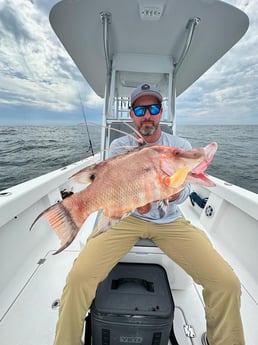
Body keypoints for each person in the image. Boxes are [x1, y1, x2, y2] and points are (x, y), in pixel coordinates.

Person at [53, 84, 245, 345]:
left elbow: (184, 193)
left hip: (170, 220)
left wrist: (173, 193)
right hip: (126, 219)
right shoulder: (120, 145)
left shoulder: (179, 145)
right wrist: (138, 202)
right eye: (141, 109)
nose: (147, 115)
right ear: (132, 114)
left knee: (227, 283)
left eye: (153, 108)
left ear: (161, 112)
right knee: (78, 278)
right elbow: (122, 192)